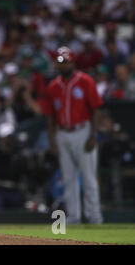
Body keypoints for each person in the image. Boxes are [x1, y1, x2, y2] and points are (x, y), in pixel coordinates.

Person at [42, 46, 103, 224]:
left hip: (82, 131)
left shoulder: (85, 81)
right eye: (59, 62)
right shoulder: (53, 86)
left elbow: (96, 110)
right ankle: (74, 216)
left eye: (65, 61)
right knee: (68, 178)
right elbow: (50, 116)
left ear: (73, 62)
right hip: (62, 133)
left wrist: (93, 135)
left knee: (89, 177)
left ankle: (94, 217)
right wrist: (52, 140)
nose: (62, 65)